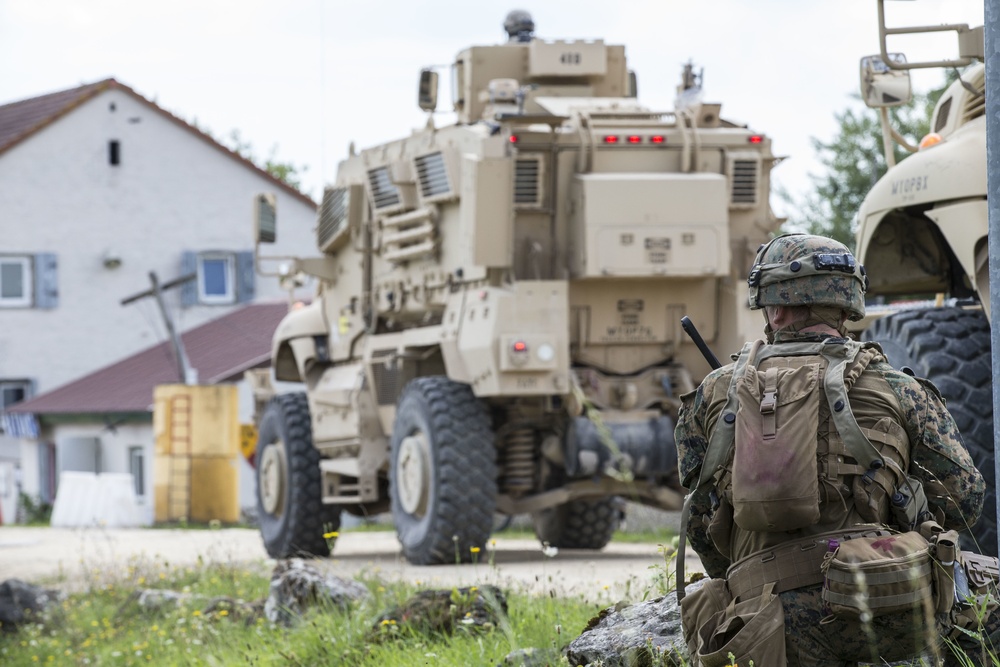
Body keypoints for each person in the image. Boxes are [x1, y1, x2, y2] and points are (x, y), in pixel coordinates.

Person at [675, 233, 998, 666]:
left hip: (763, 623)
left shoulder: (714, 393)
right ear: (847, 302)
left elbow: (700, 523)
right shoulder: (900, 388)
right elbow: (965, 502)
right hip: (887, 604)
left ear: (774, 307)